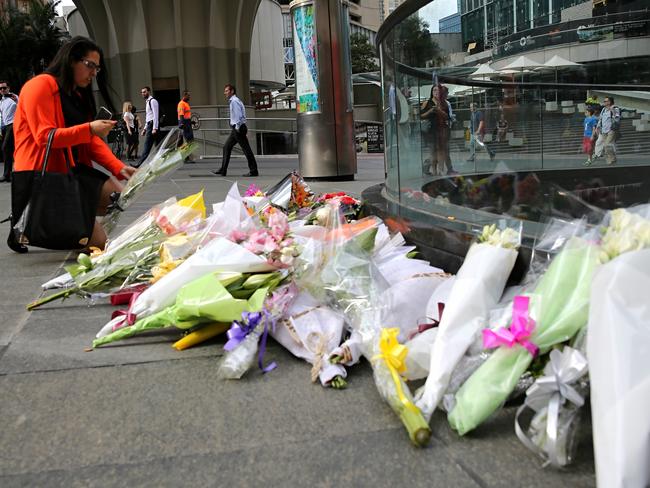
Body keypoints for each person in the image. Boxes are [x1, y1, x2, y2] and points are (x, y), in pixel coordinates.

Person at [9, 36, 136, 253]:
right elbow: (46, 137)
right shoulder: (39, 86)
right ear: (70, 61)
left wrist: (118, 167)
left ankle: (59, 222)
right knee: (98, 244)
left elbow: (89, 140)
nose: (94, 73)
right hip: (40, 172)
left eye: (97, 68)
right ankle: (27, 227)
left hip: (68, 169)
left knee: (117, 195)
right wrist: (89, 129)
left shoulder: (75, 94)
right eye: (90, 65)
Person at [212, 84, 258, 177]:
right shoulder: (235, 100)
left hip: (238, 128)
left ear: (232, 91)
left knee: (246, 149)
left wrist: (237, 128)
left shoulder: (234, 101)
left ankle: (253, 171)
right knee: (226, 147)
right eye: (225, 91)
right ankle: (223, 170)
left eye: (226, 91)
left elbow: (238, 116)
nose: (225, 93)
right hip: (238, 128)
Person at [593, 96, 620, 165]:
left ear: (609, 102)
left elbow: (617, 119)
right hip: (603, 130)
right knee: (606, 146)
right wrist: (597, 127)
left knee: (607, 145)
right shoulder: (603, 109)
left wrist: (612, 111)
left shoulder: (615, 108)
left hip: (611, 130)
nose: (604, 102)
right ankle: (611, 160)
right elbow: (601, 119)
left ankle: (611, 159)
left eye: (605, 101)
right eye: (604, 101)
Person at [0, 81, 19, 182]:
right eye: (0, 89)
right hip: (6, 127)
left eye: (4, 88)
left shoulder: (14, 97)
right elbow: (2, 117)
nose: (2, 90)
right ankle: (8, 174)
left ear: (8, 88)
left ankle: (8, 174)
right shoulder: (1, 102)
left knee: (5, 147)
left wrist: (16, 100)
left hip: (14, 124)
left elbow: (22, 106)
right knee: (9, 149)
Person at [136, 85, 159, 166]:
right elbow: (148, 116)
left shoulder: (153, 101)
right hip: (150, 125)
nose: (143, 94)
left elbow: (155, 115)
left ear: (149, 92)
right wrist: (145, 129)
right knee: (158, 145)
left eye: (144, 92)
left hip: (153, 125)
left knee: (147, 146)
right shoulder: (147, 102)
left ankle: (139, 165)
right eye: (142, 92)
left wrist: (154, 128)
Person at [177, 90, 195, 163]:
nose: (189, 97)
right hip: (184, 123)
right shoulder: (181, 104)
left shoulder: (186, 103)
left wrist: (191, 122)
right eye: (188, 95)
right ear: (184, 96)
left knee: (190, 140)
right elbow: (181, 114)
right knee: (188, 140)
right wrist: (181, 124)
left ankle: (186, 157)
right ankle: (185, 157)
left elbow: (186, 115)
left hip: (187, 122)